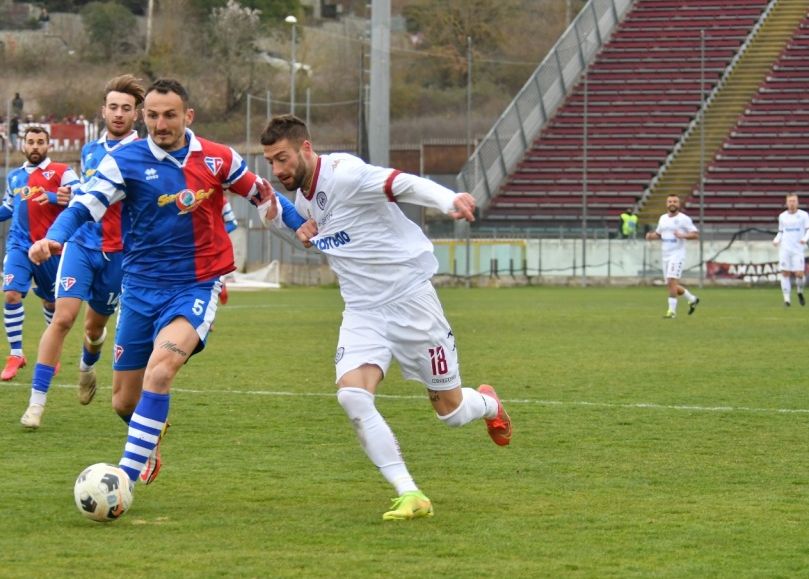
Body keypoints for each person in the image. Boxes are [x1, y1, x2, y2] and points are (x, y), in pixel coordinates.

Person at [256, 114, 512, 521]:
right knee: (352, 396)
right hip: (362, 311)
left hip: (411, 303)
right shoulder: (304, 199)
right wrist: (281, 223)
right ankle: (410, 493)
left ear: (306, 149)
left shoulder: (346, 174)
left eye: (283, 158)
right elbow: (314, 237)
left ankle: (488, 404)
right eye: (270, 162)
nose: (278, 169)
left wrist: (449, 200)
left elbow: (402, 183)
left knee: (450, 411)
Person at [28, 78, 266, 492]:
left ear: (187, 116)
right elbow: (85, 204)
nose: (160, 123)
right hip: (139, 289)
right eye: (152, 115)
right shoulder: (124, 160)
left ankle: (124, 478)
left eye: (169, 115)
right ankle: (149, 437)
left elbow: (262, 195)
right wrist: (56, 236)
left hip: (194, 284)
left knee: (161, 369)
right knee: (123, 401)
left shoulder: (217, 158)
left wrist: (305, 229)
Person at [20, 74, 146, 431]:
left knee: (94, 329)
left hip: (119, 253)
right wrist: (69, 198)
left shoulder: (142, 154)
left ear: (136, 114)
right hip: (81, 244)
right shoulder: (90, 150)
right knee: (63, 318)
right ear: (102, 111)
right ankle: (36, 404)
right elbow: (84, 195)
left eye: (126, 108)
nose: (119, 114)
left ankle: (88, 366)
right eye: (113, 107)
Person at [0, 126, 79, 380]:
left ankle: (52, 353)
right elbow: (9, 207)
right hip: (19, 245)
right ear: (23, 146)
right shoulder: (15, 177)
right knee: (12, 295)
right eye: (31, 142)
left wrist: (51, 196)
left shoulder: (63, 172)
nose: (35, 146)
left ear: (49, 146)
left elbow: (81, 198)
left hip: (51, 247)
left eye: (40, 142)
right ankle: (16, 353)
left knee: (51, 303)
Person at [645, 194, 700, 318]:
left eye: (675, 201)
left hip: (677, 255)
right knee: (671, 284)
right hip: (666, 255)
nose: (672, 203)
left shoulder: (684, 219)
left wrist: (683, 235)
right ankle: (692, 299)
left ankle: (672, 312)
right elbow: (659, 234)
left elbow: (695, 234)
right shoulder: (663, 218)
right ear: (666, 204)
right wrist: (651, 236)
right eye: (670, 201)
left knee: (671, 281)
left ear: (678, 204)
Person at [772, 192, 809, 307]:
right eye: (790, 201)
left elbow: (808, 230)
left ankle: (799, 291)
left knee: (799, 274)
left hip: (798, 249)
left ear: (797, 202)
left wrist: (804, 239)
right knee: (785, 273)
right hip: (785, 249)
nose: (792, 203)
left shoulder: (803, 215)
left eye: (794, 201)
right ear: (786, 202)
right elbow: (781, 232)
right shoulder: (782, 216)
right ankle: (787, 300)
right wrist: (776, 240)